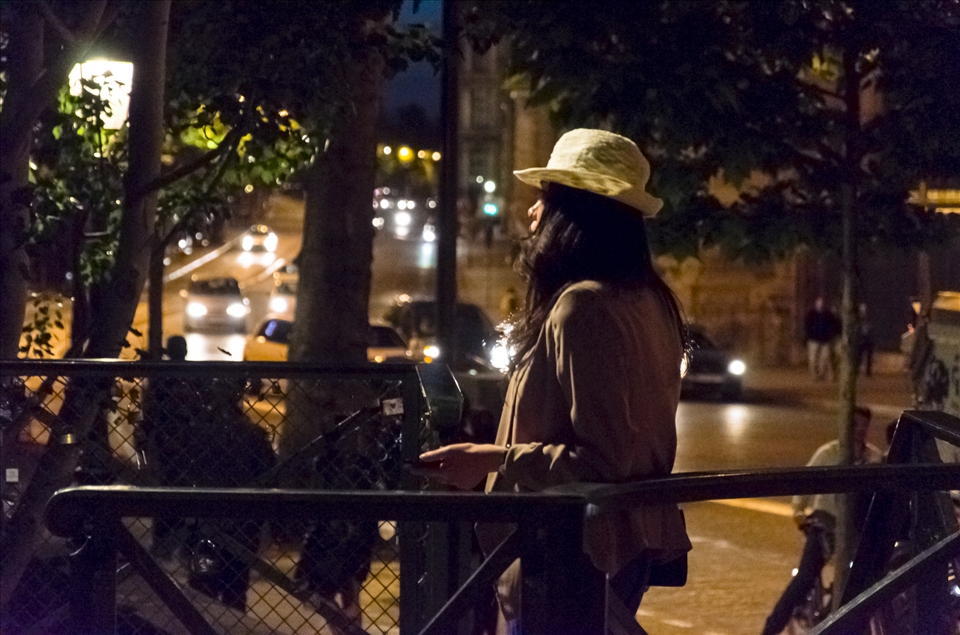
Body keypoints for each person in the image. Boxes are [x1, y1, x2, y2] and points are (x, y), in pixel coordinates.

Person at [415, 129, 692, 633]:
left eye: (546, 199)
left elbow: (600, 459)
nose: (532, 214)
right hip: (619, 544)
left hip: (572, 552)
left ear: (576, 213)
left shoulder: (582, 307)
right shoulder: (651, 300)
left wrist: (493, 459)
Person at [760, 406, 883, 635]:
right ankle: (770, 629)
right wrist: (798, 512)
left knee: (855, 579)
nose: (859, 430)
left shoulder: (873, 457)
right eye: (855, 424)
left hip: (855, 528)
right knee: (805, 578)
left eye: (864, 425)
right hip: (825, 522)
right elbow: (805, 484)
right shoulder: (829, 453)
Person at [804, 297, 841, 381]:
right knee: (813, 359)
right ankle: (814, 375)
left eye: (822, 303)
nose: (821, 305)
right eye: (819, 303)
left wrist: (831, 334)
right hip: (813, 340)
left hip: (825, 340)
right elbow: (807, 326)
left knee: (824, 359)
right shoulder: (811, 314)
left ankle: (821, 375)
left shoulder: (828, 315)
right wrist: (809, 336)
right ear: (816, 304)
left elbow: (834, 324)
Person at [856, 302, 874, 377]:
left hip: (868, 338)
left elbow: (872, 327)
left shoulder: (869, 318)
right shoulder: (858, 318)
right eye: (862, 308)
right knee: (859, 356)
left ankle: (868, 371)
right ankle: (857, 370)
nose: (863, 310)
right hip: (860, 338)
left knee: (869, 356)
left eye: (864, 308)